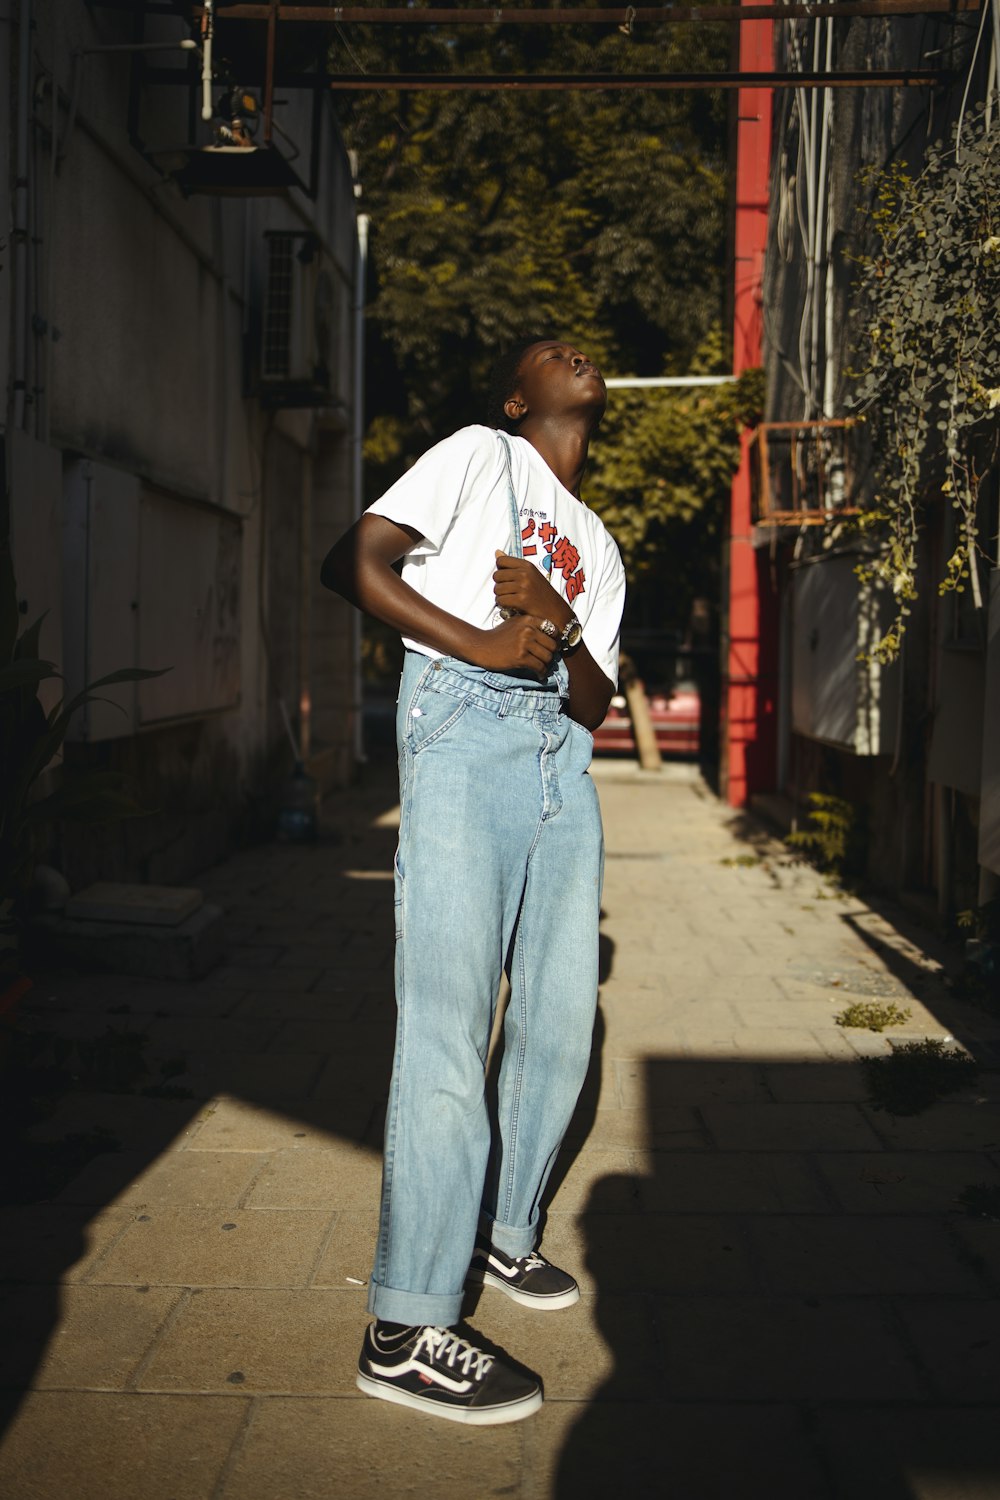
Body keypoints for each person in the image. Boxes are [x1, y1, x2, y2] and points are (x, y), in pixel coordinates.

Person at [320, 337, 626, 1425]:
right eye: (546, 351)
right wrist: (488, 643)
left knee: (556, 1019)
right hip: (461, 719)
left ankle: (501, 1238)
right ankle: (404, 1326)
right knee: (449, 1020)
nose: (572, 351)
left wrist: (558, 610)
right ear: (515, 394)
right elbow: (351, 562)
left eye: (581, 347)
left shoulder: (598, 541)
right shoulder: (474, 455)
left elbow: (594, 701)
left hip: (561, 758)